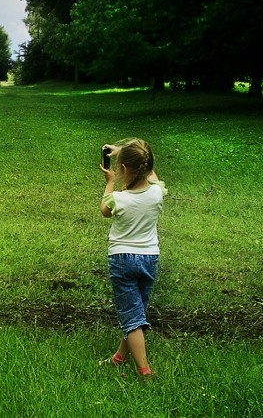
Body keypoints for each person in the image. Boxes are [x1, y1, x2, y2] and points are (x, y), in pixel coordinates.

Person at [98, 138, 166, 380]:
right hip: (150, 258)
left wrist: (110, 182)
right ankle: (119, 357)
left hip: (123, 260)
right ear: (148, 167)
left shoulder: (119, 199)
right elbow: (153, 177)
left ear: (124, 170)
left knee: (132, 317)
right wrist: (125, 152)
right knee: (135, 312)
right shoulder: (158, 193)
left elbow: (105, 210)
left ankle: (145, 371)